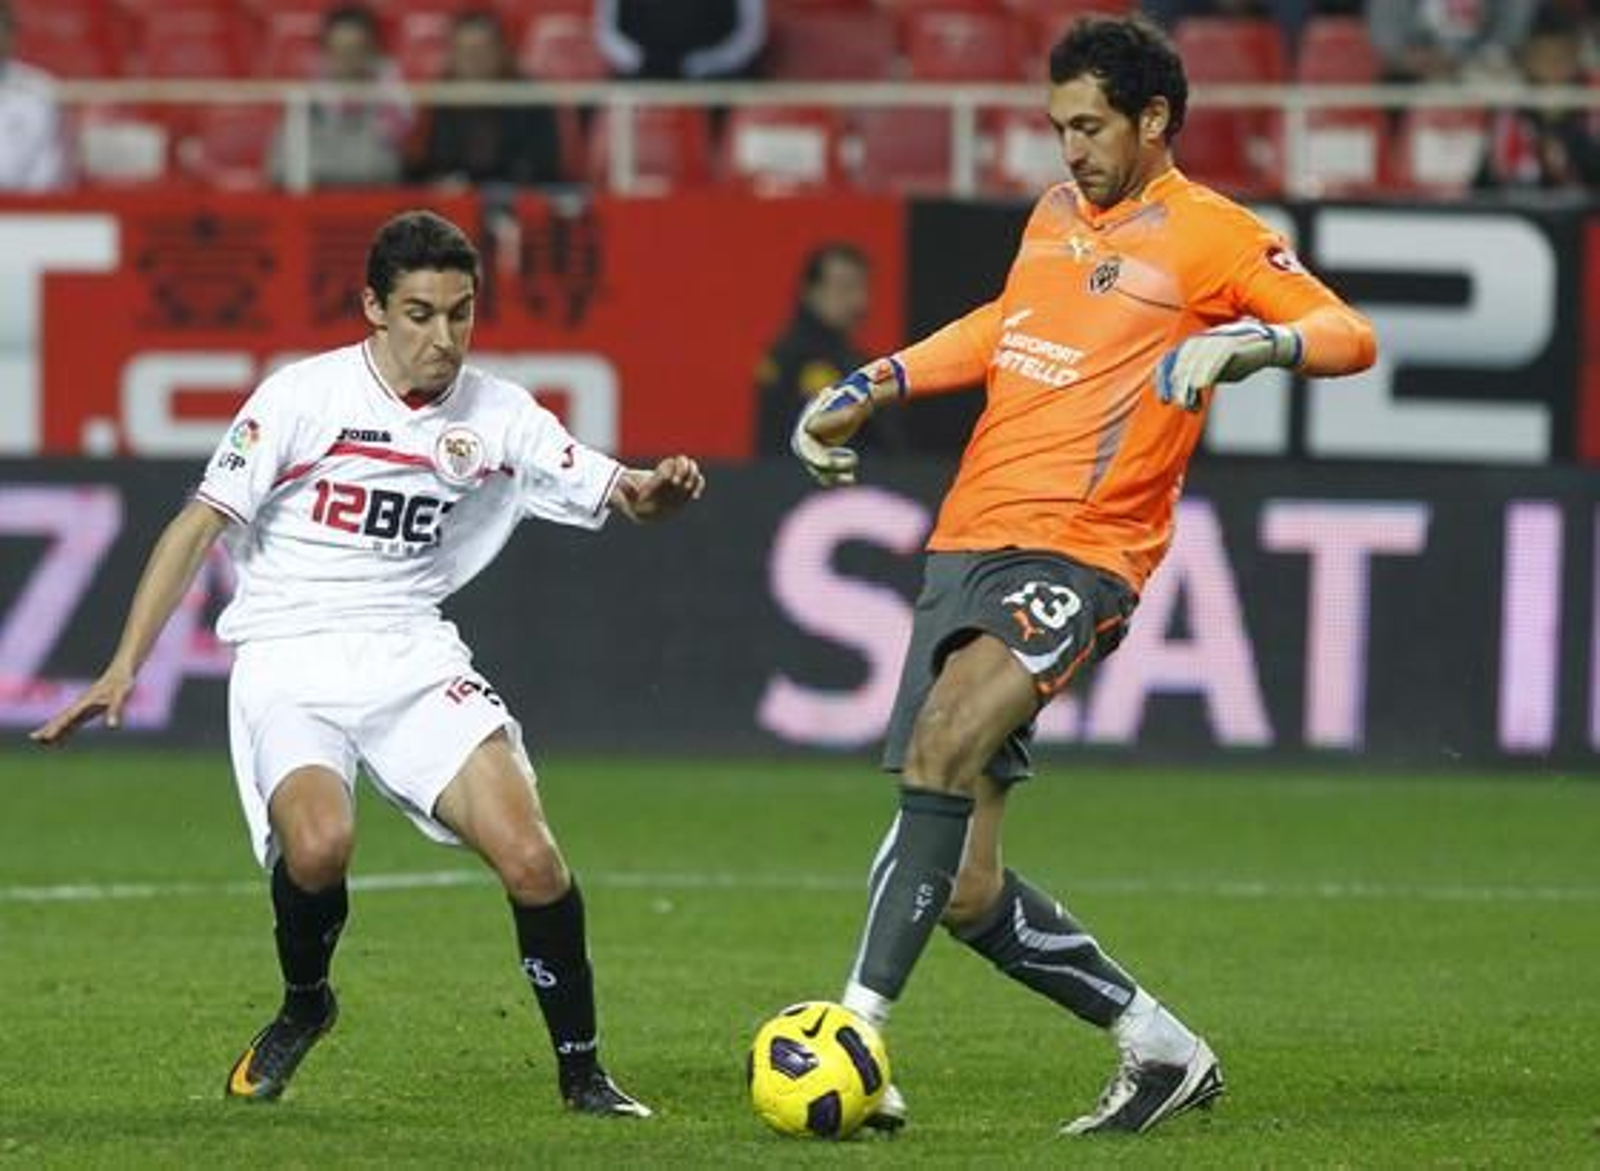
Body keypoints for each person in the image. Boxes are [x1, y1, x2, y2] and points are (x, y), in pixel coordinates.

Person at [789, 14, 1375, 1136]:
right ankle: (1161, 1048)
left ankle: (856, 1029)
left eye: (1090, 125)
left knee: (942, 741)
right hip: (968, 537)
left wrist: (1255, 345)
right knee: (964, 885)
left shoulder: (1211, 234)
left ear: (1154, 120)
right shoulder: (1054, 216)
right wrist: (876, 379)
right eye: (1058, 126)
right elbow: (1009, 327)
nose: (1070, 149)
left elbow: (1348, 333)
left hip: (1083, 548)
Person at [31, 210, 705, 1116]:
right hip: (288, 652)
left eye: (461, 313)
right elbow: (198, 524)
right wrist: (124, 666)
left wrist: (654, 491)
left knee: (534, 860)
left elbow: (619, 490)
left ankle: (583, 1074)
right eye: (421, 314)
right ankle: (306, 1002)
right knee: (319, 844)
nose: (445, 338)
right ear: (374, 309)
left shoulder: (500, 414)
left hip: (409, 649)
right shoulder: (299, 399)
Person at [755, 244, 907, 457]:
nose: (858, 301)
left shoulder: (864, 363)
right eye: (844, 287)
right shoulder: (787, 359)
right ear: (810, 291)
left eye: (861, 287)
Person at [407, 10, 564, 189]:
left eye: (482, 50)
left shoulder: (530, 97)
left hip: (516, 197)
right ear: (452, 55)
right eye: (466, 51)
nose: (474, 60)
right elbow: (416, 167)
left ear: (502, 52)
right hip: (449, 202)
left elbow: (545, 167)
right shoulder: (436, 99)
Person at [271, 4, 413, 188]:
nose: (346, 59)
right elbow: (279, 168)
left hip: (373, 198)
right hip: (317, 200)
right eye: (339, 50)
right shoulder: (305, 101)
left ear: (371, 50)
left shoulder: (394, 99)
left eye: (355, 50)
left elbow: (388, 167)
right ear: (326, 51)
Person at [1475, 6, 1600, 191]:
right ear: (1528, 58)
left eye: (1560, 58)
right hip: (1522, 204)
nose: (1552, 68)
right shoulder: (1511, 102)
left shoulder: (1591, 97)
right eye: (1543, 57)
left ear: (1576, 56)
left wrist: (1569, 139)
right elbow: (1489, 177)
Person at [1366, 0, 1537, 83]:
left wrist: (1481, 58)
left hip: (1482, 74)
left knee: (1509, 86)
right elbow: (1387, 37)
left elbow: (1510, 35)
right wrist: (1411, 56)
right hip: (1414, 77)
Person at [596, 0, 766, 81]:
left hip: (718, 78)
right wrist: (643, 62)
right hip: (644, 74)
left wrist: (702, 65)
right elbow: (607, 32)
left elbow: (750, 35)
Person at [0, 0, 69, 191]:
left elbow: (48, 169)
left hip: (29, 211)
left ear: (12, 34)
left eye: (2, 27)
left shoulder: (40, 89)